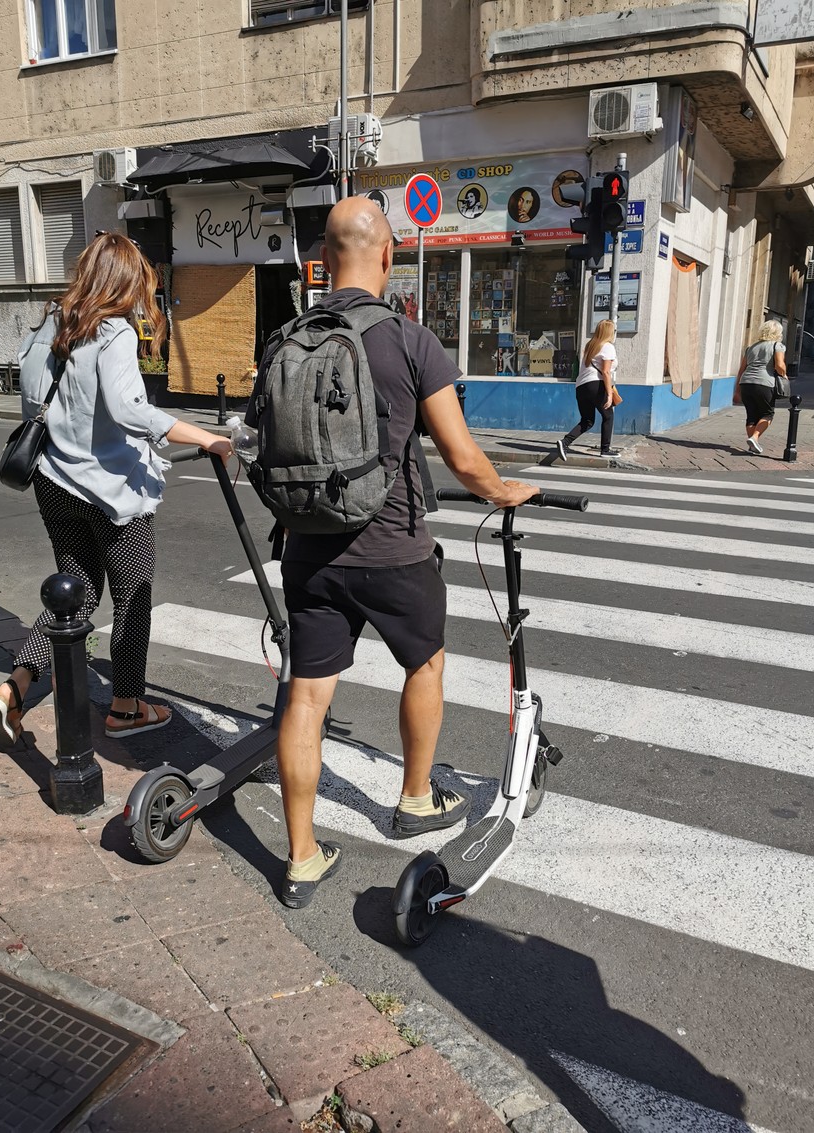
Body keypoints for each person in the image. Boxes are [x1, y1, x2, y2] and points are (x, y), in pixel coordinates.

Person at [245, 196, 537, 909]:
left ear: (323, 260)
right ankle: (415, 797)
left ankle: (301, 858)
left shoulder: (285, 340)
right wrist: (504, 491)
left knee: (306, 696)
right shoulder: (411, 341)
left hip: (309, 550)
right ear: (387, 254)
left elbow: (258, 444)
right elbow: (462, 456)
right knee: (424, 663)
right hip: (394, 549)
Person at [0, 232, 232, 747]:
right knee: (132, 599)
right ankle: (126, 706)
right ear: (125, 280)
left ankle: (14, 687)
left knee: (74, 593)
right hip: (111, 492)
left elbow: (32, 401)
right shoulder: (113, 331)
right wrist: (206, 436)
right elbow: (128, 409)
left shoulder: (49, 324)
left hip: (54, 482)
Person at [556, 319, 619, 461]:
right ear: (610, 332)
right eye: (614, 331)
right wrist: (609, 395)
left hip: (581, 386)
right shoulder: (608, 347)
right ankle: (605, 450)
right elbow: (606, 372)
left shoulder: (591, 345)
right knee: (608, 416)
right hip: (595, 385)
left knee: (587, 420)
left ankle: (564, 442)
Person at [733, 319, 787, 454]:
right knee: (767, 413)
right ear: (778, 332)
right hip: (764, 383)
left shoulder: (751, 347)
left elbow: (741, 370)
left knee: (751, 415)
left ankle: (752, 446)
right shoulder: (777, 346)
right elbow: (779, 365)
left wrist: (737, 391)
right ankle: (754, 437)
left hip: (746, 383)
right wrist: (784, 374)